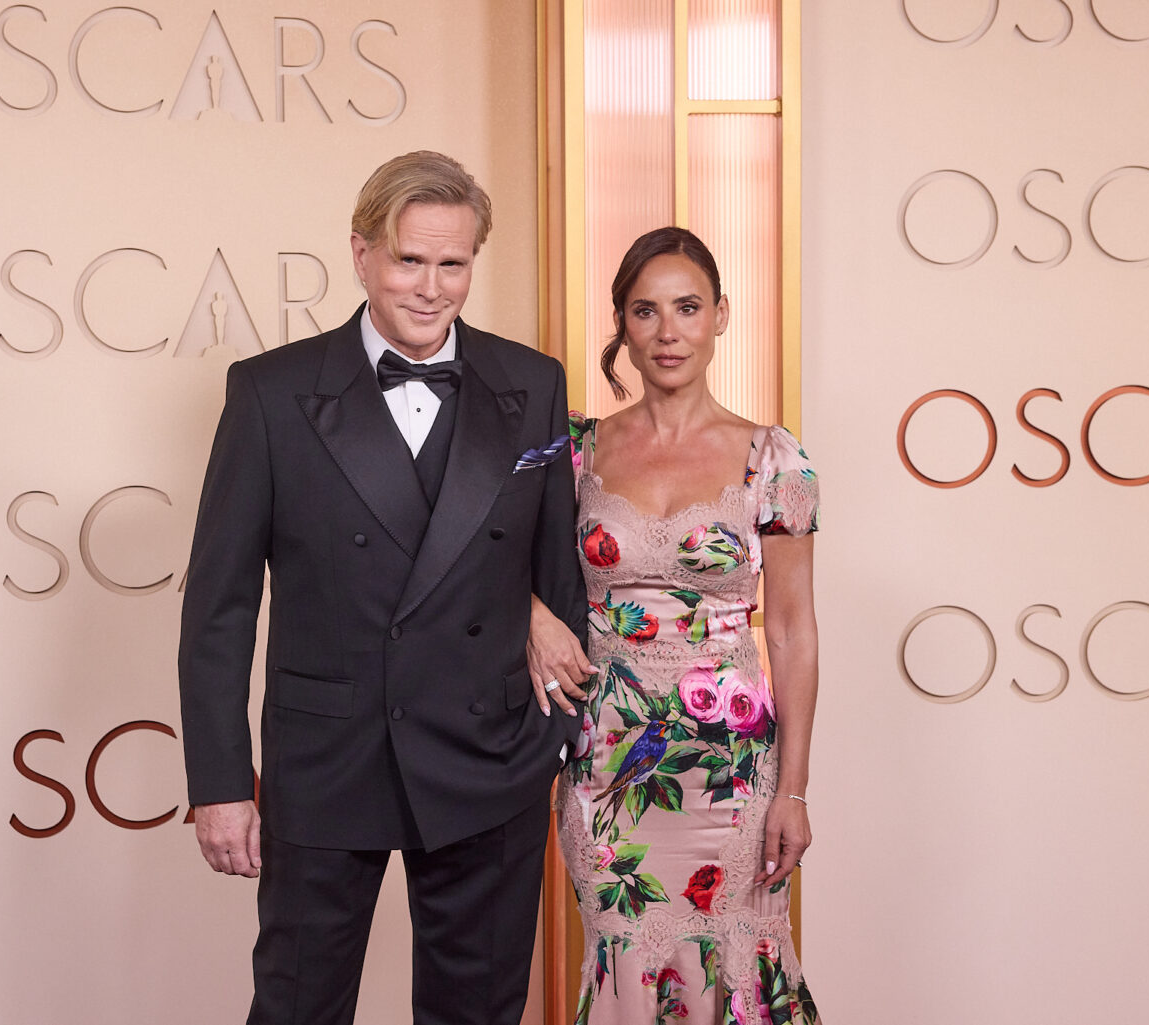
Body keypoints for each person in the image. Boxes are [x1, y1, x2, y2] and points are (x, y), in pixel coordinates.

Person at [177, 150, 587, 1025]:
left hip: (491, 758)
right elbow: (219, 608)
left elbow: (556, 575)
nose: (431, 287)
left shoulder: (534, 384)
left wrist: (552, 737)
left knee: (477, 1014)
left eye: (454, 263)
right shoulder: (271, 393)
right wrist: (218, 781)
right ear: (361, 254)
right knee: (297, 1010)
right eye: (409, 260)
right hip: (328, 759)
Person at [527, 227, 822, 1023]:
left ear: (721, 316)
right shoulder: (576, 452)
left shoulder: (772, 457)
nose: (668, 332)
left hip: (730, 769)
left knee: (737, 953)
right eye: (645, 311)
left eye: (688, 308)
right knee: (622, 948)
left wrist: (792, 788)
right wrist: (532, 619)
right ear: (622, 324)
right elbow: (489, 560)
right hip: (606, 761)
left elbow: (792, 631)